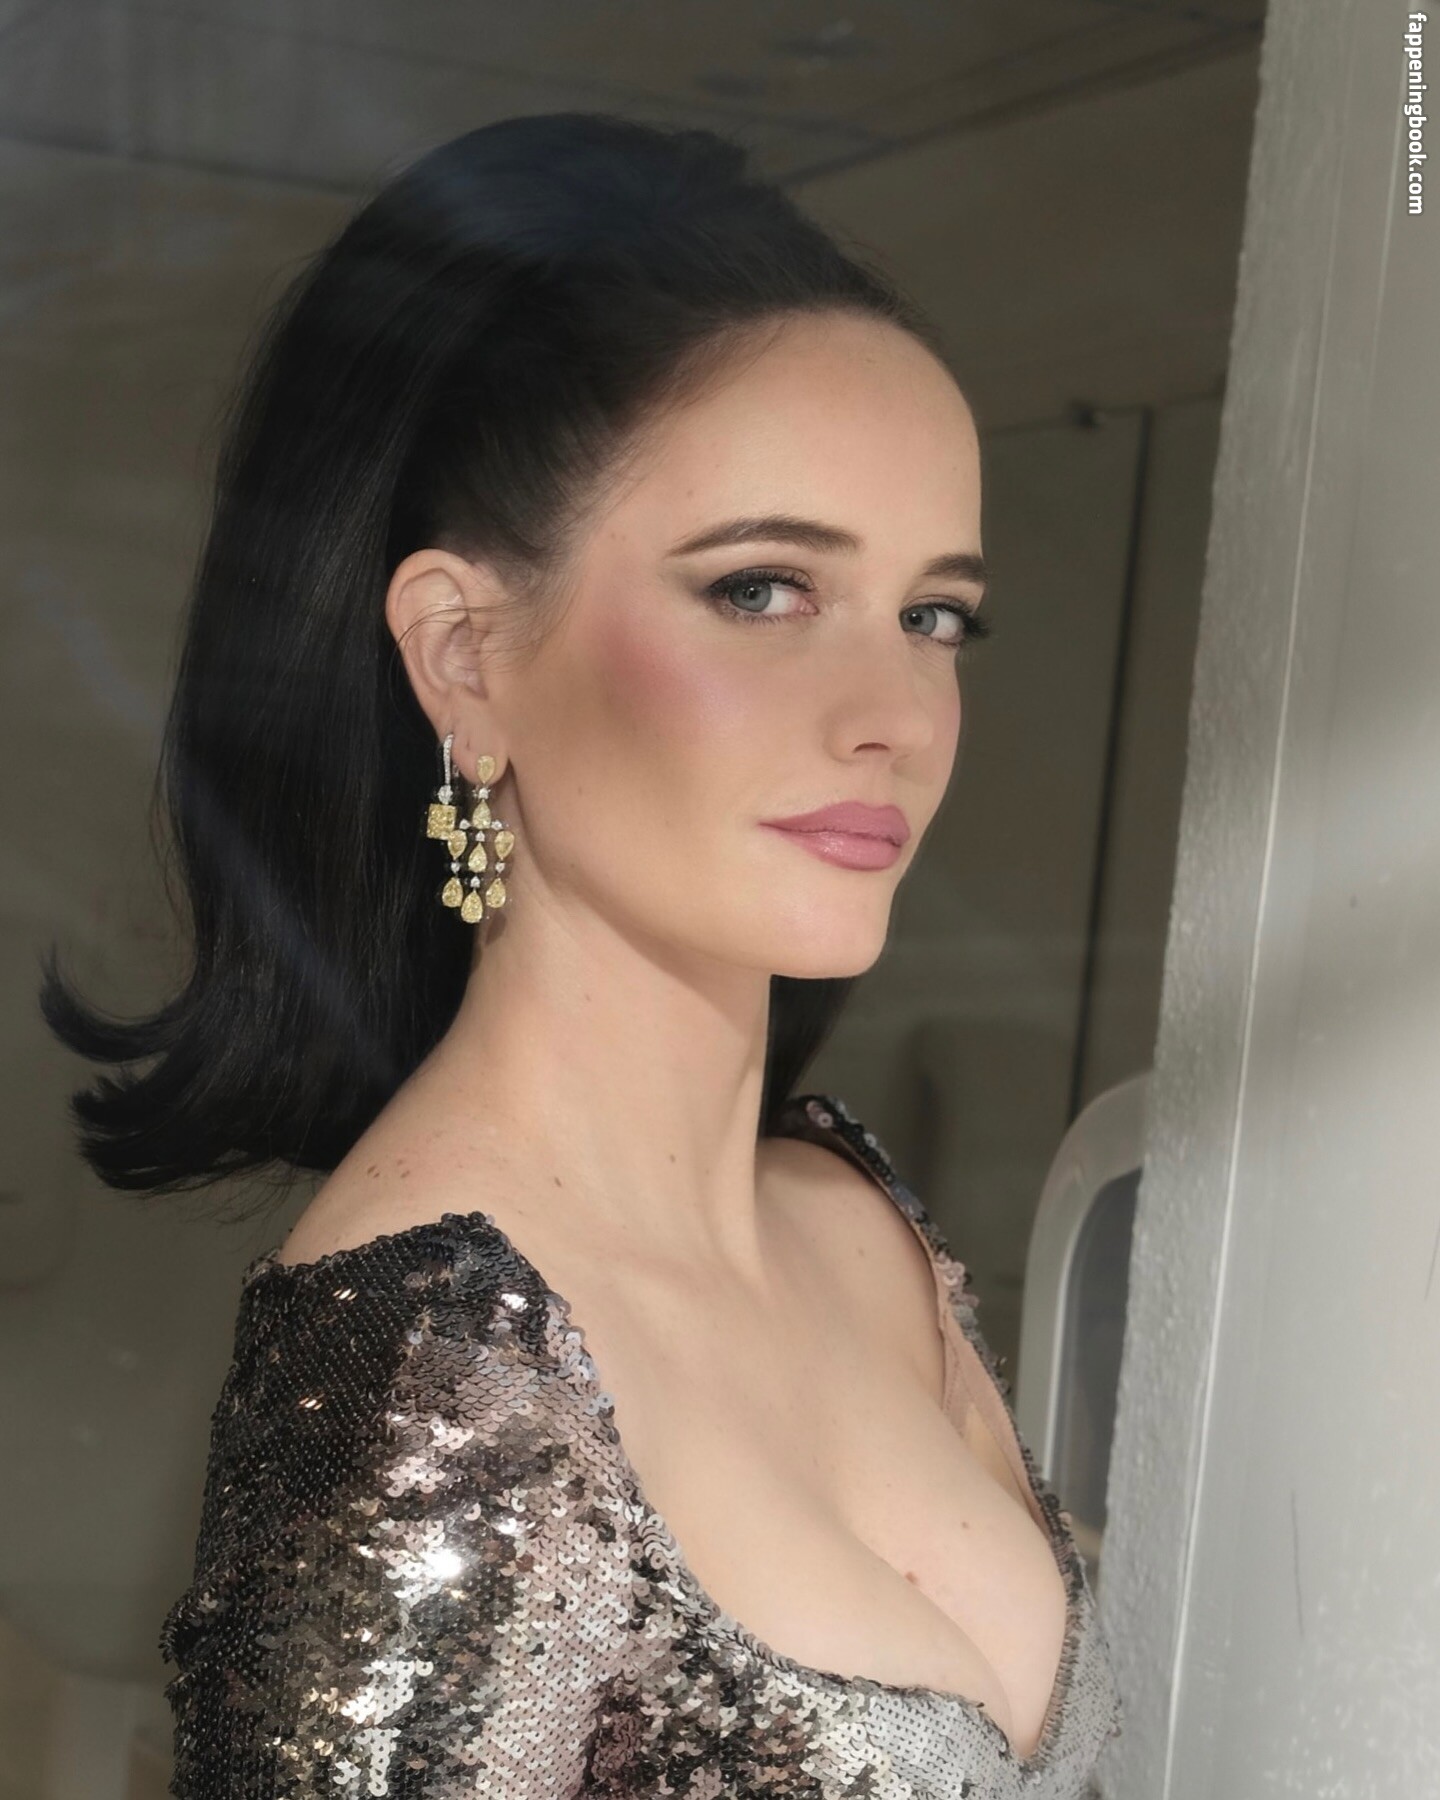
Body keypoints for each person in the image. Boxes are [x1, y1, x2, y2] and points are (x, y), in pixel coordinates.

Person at [40, 113, 1121, 1797]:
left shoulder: (859, 1228)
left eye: (934, 616)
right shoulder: (433, 1376)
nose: (898, 717)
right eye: (762, 591)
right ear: (465, 657)